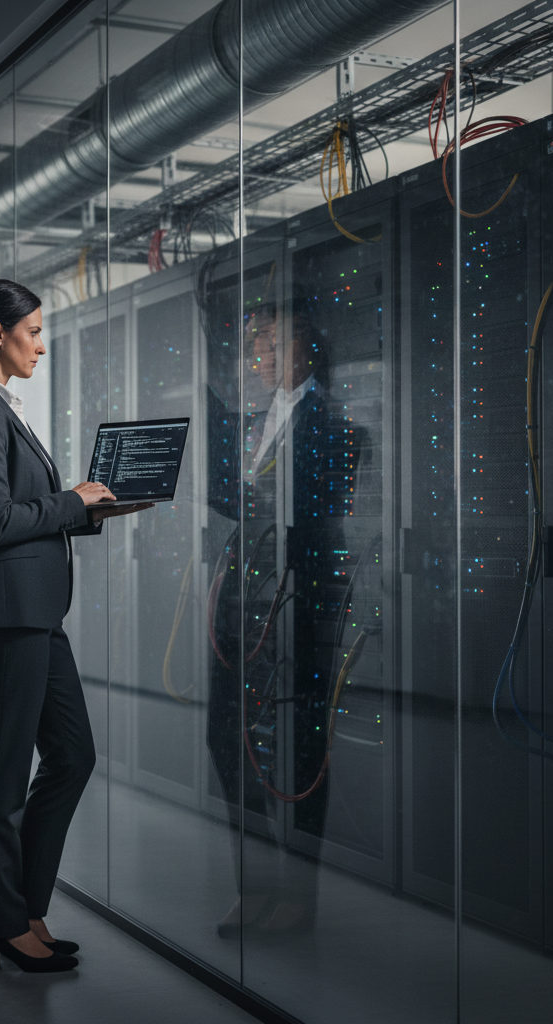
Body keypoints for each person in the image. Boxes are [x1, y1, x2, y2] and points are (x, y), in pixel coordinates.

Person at [0, 279, 147, 973]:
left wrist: (88, 509)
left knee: (73, 756)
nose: (41, 344)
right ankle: (2, 925)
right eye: (32, 332)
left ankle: (22, 908)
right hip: (5, 617)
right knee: (2, 775)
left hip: (33, 614)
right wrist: (70, 501)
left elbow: (23, 514)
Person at [206, 304, 358, 936]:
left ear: (304, 348)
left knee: (299, 749)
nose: (258, 351)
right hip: (245, 597)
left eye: (269, 338)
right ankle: (258, 885)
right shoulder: (250, 423)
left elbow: (316, 511)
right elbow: (240, 500)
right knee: (226, 737)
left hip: (301, 599)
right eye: (254, 340)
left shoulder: (333, 425)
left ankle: (298, 897)